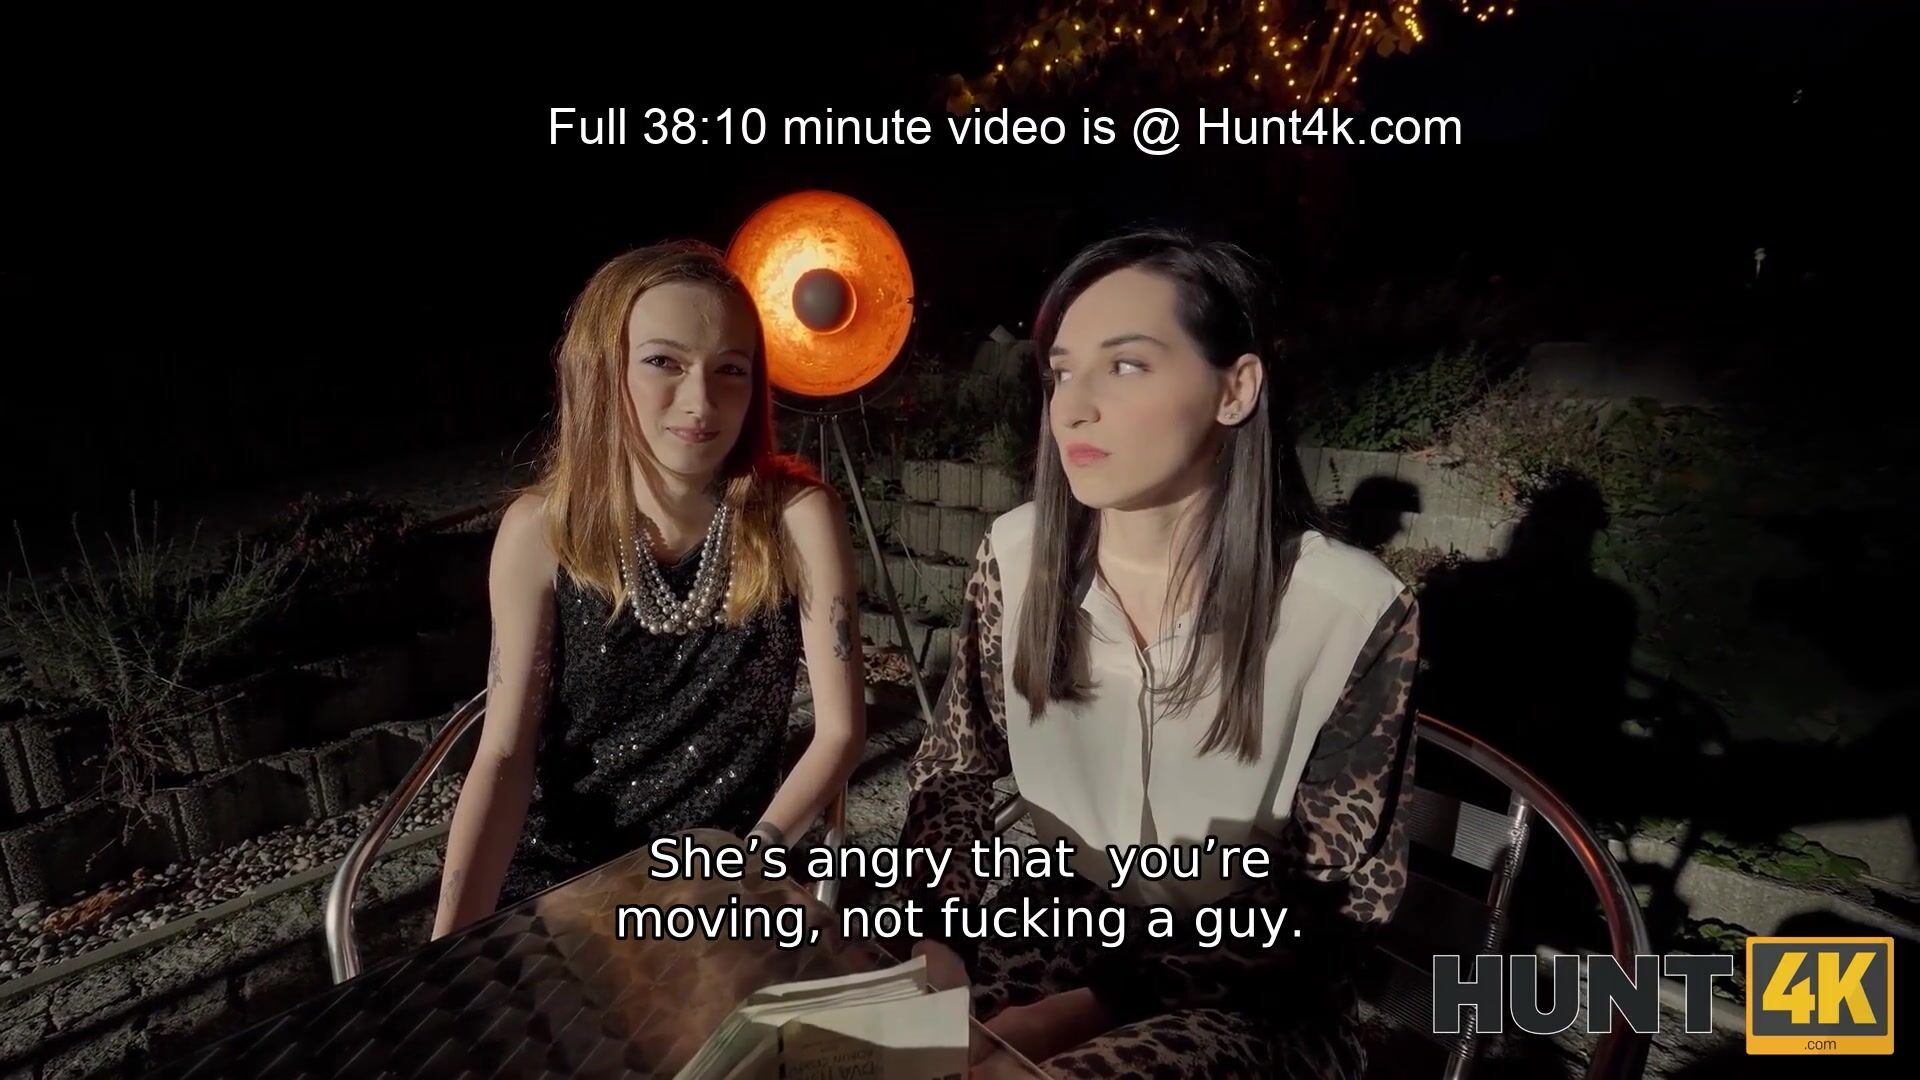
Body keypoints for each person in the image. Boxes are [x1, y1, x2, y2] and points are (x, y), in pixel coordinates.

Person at [897, 229, 1421, 1078]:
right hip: (1057, 931)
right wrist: (937, 939)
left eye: (1126, 365)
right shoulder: (1017, 558)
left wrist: (1072, 1015)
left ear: (1235, 389)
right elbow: (956, 766)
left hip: (1250, 987)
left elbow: (1335, 901)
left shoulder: (1352, 612)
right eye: (1061, 372)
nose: (1073, 407)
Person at [431, 241, 867, 938]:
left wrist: (749, 863)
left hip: (730, 874)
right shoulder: (543, 531)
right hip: (567, 881)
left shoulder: (795, 518)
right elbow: (506, 752)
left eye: (730, 369)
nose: (701, 401)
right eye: (664, 362)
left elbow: (840, 731)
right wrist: (449, 943)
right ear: (602, 370)